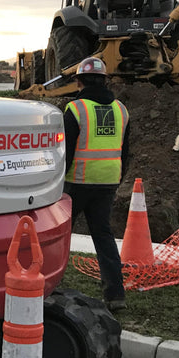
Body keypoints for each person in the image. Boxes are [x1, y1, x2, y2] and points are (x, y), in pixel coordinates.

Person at [63, 56, 131, 312]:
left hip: (76, 181)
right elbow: (125, 150)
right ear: (105, 81)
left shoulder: (76, 109)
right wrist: (116, 177)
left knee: (59, 236)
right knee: (103, 236)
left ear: (79, 81)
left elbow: (66, 151)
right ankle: (115, 295)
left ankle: (50, 286)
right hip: (108, 180)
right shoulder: (121, 109)